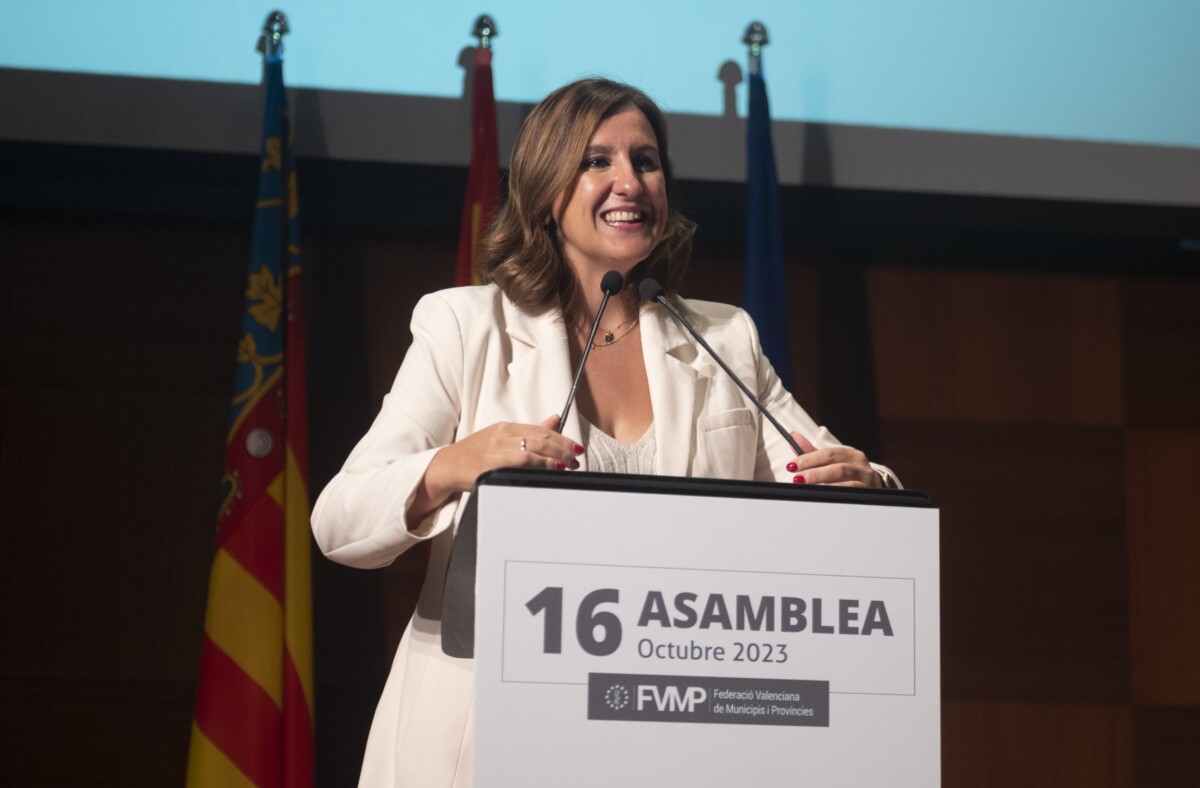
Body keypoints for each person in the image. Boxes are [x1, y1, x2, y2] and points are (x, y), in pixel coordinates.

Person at [311, 77, 899, 787]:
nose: (630, 181)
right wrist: (453, 465)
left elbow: (841, 476)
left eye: (646, 162)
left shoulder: (724, 338)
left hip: (666, 733)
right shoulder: (464, 327)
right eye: (598, 161)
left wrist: (864, 485)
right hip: (487, 733)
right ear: (546, 190)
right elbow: (338, 522)